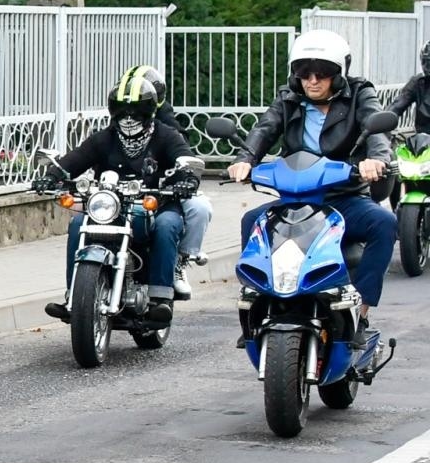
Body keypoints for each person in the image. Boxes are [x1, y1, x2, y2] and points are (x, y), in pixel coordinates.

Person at [226, 29, 396, 345]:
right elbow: (265, 129)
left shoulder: (360, 93)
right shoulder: (288, 98)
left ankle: (362, 311)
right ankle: (255, 306)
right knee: (252, 222)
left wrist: (375, 160)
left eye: (323, 73)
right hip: (295, 197)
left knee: (384, 223)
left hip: (341, 198)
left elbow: (376, 130)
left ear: (339, 73)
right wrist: (245, 159)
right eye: (305, 73)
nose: (313, 80)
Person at [41, 69, 198, 325]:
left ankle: (160, 299)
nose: (128, 116)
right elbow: (75, 159)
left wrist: (188, 177)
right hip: (110, 207)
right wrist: (52, 175)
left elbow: (184, 158)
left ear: (149, 110)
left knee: (168, 224)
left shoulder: (165, 136)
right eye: (122, 110)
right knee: (78, 223)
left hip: (156, 204)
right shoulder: (105, 138)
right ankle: (74, 298)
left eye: (136, 110)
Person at [125, 64, 213, 300]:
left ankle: (180, 260)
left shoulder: (165, 126)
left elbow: (181, 148)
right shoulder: (118, 125)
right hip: (127, 191)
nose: (132, 115)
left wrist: (184, 178)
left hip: (163, 188)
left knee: (197, 209)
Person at [388, 41, 430, 134]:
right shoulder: (418, 82)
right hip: (423, 143)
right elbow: (396, 107)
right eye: (428, 63)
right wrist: (383, 122)